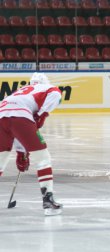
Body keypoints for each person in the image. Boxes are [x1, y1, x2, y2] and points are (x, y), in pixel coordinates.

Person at [0, 72, 63, 216]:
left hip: (1, 116)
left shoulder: (19, 92)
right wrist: (42, 114)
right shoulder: (49, 88)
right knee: (43, 159)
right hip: (20, 116)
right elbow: (56, 95)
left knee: (0, 160)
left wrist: (21, 154)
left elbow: (11, 122)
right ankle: (48, 200)